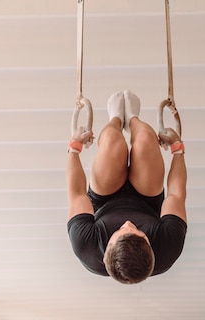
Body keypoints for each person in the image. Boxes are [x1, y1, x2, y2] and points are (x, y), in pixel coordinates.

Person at [66, 89, 187, 284]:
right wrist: (177, 148)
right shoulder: (168, 248)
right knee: (146, 139)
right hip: (147, 198)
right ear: (149, 245)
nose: (129, 223)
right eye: (138, 231)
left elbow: (77, 193)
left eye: (122, 230)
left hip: (105, 197)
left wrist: (74, 147)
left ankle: (115, 119)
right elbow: (176, 194)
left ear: (108, 249)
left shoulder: (86, 246)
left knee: (113, 143)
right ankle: (132, 119)